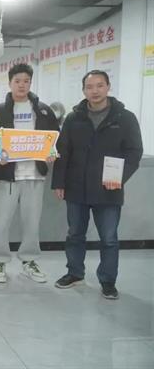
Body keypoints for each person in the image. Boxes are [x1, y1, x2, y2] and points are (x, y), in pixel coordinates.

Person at [52, 70, 143, 299]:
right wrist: (59, 182)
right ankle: (75, 273)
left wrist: (119, 177)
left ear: (108, 87)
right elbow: (63, 151)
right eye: (90, 87)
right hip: (76, 187)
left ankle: (108, 281)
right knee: (75, 234)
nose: (95, 91)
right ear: (84, 90)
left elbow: (134, 152)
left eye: (100, 85)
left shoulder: (125, 118)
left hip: (108, 188)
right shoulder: (74, 118)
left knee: (109, 238)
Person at [0, 63, 59, 284]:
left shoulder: (44, 110)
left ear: (30, 83)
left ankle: (29, 260)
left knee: (32, 222)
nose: (22, 85)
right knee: (1, 221)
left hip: (35, 175)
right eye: (17, 81)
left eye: (26, 81)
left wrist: (52, 153)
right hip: (7, 175)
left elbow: (55, 138)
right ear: (9, 83)